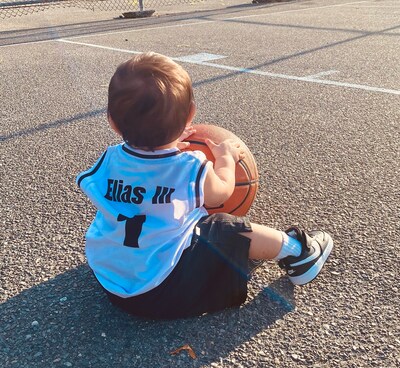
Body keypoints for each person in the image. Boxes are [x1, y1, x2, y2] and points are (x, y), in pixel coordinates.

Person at [76, 52, 333, 319]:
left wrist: (159, 144)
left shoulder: (109, 159)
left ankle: (224, 259)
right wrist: (225, 159)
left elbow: (143, 174)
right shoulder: (189, 165)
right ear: (191, 114)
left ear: (112, 121)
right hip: (162, 291)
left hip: (111, 282)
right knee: (222, 226)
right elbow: (221, 193)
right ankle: (299, 253)